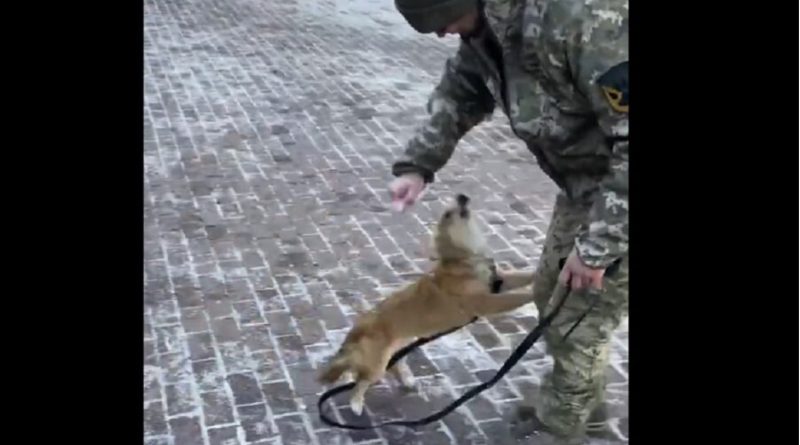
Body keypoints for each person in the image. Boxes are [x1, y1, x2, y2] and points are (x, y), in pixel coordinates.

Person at [388, 0, 629, 442]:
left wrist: (598, 248)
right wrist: (417, 164)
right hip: (591, 183)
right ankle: (586, 408)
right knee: (549, 294)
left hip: (621, 190)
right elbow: (463, 87)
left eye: (443, 21)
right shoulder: (488, 28)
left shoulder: (580, 20)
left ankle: (562, 429)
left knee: (578, 321)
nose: (442, 34)